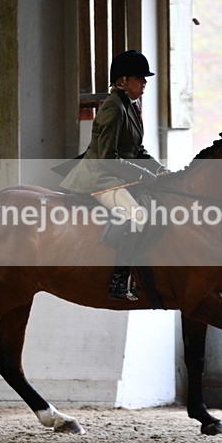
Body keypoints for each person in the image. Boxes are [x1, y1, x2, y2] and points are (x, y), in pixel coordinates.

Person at [60, 49, 167, 300]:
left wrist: (159, 169)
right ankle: (119, 282)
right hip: (100, 176)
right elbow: (108, 158)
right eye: (139, 78)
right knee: (138, 216)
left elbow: (137, 150)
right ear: (122, 81)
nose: (144, 82)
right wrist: (143, 174)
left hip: (118, 174)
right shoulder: (113, 108)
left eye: (144, 78)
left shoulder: (132, 105)